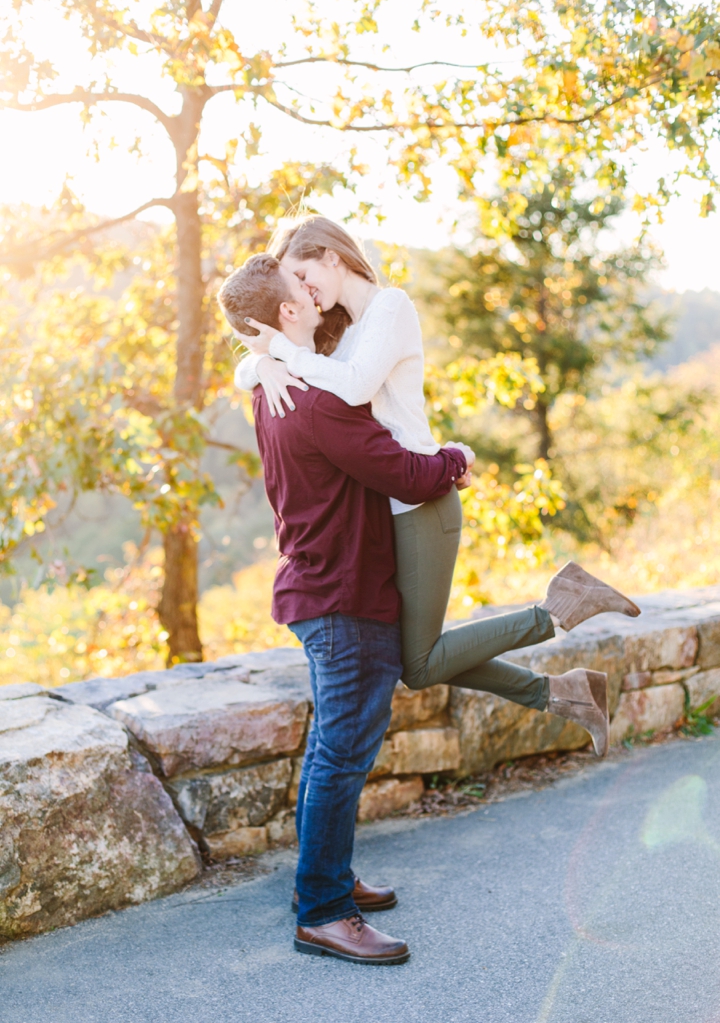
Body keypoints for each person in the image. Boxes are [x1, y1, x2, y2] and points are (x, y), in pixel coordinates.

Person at [217, 253, 640, 965]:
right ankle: (322, 908)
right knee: (341, 754)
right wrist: (454, 458)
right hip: (344, 595)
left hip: (321, 587)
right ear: (285, 314)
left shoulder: (276, 388)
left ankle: (326, 879)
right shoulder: (316, 400)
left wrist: (260, 361)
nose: (312, 291)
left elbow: (272, 373)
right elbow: (402, 468)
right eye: (300, 287)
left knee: (336, 748)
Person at [232, 216, 641, 757]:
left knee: (418, 664)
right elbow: (254, 361)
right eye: (295, 284)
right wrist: (261, 364)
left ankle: (561, 608)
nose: (304, 291)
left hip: (421, 496)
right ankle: (568, 693)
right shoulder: (340, 330)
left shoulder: (390, 308)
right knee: (413, 660)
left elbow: (354, 388)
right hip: (389, 504)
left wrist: (282, 358)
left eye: (305, 274)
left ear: (332, 256)